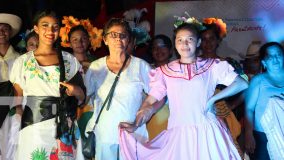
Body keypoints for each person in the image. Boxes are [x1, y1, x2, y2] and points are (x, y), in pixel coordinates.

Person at [119, 22, 248, 159]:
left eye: (190, 39)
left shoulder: (211, 66)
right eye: (180, 40)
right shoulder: (165, 71)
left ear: (198, 42)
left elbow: (241, 84)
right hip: (179, 132)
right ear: (175, 44)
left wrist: (213, 100)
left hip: (207, 130)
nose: (184, 44)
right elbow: (151, 99)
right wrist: (135, 124)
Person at [9, 10, 85, 159]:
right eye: (45, 25)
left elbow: (82, 98)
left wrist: (75, 90)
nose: (50, 31)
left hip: (64, 128)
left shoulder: (69, 60)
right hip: (34, 128)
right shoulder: (23, 62)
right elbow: (16, 100)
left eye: (55, 27)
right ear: (36, 28)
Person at [84, 18, 151, 159]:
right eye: (113, 35)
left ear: (128, 40)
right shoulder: (96, 67)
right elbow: (84, 99)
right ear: (105, 39)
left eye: (123, 35)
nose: (118, 39)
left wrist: (144, 112)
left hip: (133, 135)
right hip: (105, 135)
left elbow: (158, 96)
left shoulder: (141, 66)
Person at [200, 20, 246, 157]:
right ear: (198, 42)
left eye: (212, 39)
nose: (208, 43)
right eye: (203, 39)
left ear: (218, 41)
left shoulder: (228, 63)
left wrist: (231, 105)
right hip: (201, 114)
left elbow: (245, 85)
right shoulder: (193, 64)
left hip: (224, 115)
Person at [245, 42, 284, 160]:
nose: (275, 59)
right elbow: (249, 108)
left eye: (278, 55)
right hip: (263, 135)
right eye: (270, 57)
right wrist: (248, 134)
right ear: (264, 62)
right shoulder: (258, 81)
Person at [146, 34, 172, 140]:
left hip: (173, 120)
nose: (158, 50)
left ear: (171, 50)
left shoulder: (179, 70)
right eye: (155, 47)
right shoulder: (145, 70)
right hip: (151, 118)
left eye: (162, 46)